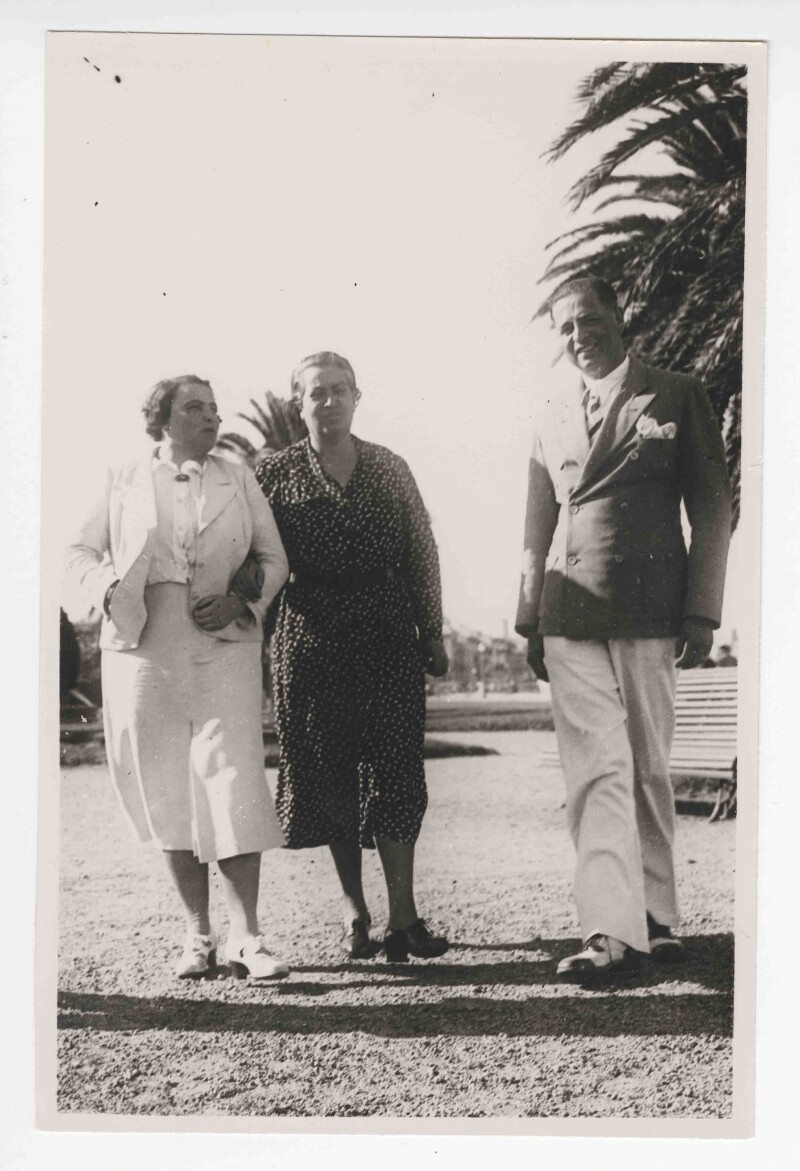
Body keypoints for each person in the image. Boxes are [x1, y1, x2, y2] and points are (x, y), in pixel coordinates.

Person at [515, 277, 731, 978]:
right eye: (566, 328)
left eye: (588, 319)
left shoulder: (675, 394)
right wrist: (528, 616)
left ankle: (659, 917)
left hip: (649, 605)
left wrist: (701, 609)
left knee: (646, 765)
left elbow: (712, 506)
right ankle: (609, 929)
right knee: (595, 770)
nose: (579, 336)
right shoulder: (549, 413)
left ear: (618, 315)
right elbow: (537, 524)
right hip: (568, 610)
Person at [65, 375, 291, 981]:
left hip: (223, 641)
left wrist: (242, 602)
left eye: (215, 408)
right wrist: (109, 591)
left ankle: (247, 937)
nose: (212, 417)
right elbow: (77, 553)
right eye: (195, 408)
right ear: (162, 418)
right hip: (143, 644)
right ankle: (198, 935)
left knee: (235, 777)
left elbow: (273, 558)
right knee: (164, 783)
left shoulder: (237, 475)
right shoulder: (122, 475)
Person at [248, 351, 450, 963]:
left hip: (386, 631)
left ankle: (404, 918)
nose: (329, 401)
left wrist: (431, 631)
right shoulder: (273, 473)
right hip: (309, 639)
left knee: (396, 770)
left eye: (340, 390)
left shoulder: (389, 467)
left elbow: (421, 549)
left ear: (357, 398)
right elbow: (252, 555)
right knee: (329, 771)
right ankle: (354, 912)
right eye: (317, 392)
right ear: (298, 404)